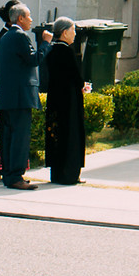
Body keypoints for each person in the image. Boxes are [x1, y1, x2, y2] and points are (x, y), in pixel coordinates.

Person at [0, 2, 46, 190]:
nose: (31, 20)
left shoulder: (4, 38)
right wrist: (45, 43)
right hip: (20, 95)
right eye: (29, 16)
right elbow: (34, 59)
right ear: (20, 18)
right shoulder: (20, 36)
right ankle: (16, 176)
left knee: (8, 136)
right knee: (20, 137)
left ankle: (9, 174)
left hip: (7, 95)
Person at [42, 17, 89, 186]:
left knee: (56, 134)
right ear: (64, 32)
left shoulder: (51, 50)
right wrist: (83, 85)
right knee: (71, 134)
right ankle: (70, 174)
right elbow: (75, 76)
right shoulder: (66, 51)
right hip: (69, 100)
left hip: (55, 97)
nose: (75, 34)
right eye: (73, 30)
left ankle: (57, 174)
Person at [0, 0, 27, 178]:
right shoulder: (6, 36)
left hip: (7, 83)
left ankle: (8, 165)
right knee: (5, 125)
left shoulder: (9, 34)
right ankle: (4, 165)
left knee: (7, 126)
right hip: (5, 84)